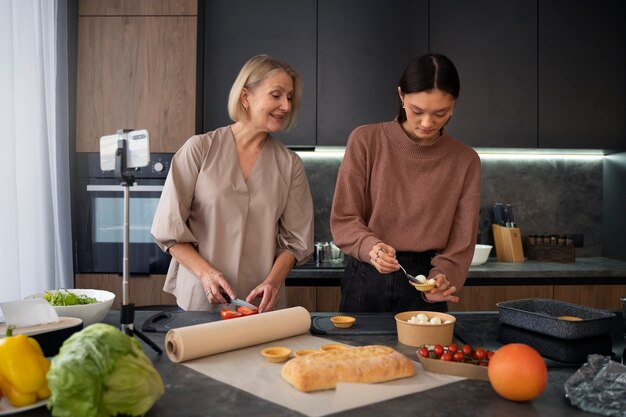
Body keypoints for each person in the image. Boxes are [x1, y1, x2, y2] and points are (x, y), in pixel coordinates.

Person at [151, 54, 314, 312]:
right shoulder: (200, 149)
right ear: (246, 97)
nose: (286, 105)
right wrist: (205, 274)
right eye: (276, 95)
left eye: (290, 97)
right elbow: (168, 230)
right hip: (200, 297)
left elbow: (296, 243)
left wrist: (273, 282)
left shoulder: (290, 164)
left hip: (257, 304)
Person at [330, 53, 481, 313]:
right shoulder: (365, 141)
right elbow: (344, 219)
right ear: (401, 95)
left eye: (440, 113)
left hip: (425, 281)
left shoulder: (465, 160)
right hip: (367, 276)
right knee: (358, 355)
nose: (426, 123)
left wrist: (444, 278)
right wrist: (371, 248)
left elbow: (461, 241)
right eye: (417, 111)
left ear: (454, 104)